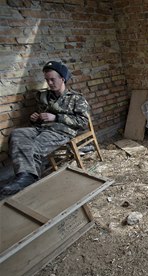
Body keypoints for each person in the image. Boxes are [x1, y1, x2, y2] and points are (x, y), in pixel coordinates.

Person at [1, 61, 90, 196]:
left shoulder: (76, 99)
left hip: (61, 131)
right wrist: (36, 118)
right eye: (47, 80)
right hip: (42, 128)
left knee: (33, 147)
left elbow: (83, 122)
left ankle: (29, 184)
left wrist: (56, 118)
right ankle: (26, 177)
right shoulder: (44, 97)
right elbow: (41, 119)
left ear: (62, 78)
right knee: (17, 134)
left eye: (52, 79)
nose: (49, 83)